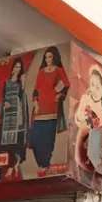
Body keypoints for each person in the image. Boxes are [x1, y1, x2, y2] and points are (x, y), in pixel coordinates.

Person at [30, 46, 69, 174]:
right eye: (46, 57)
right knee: (35, 139)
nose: (48, 59)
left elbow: (67, 84)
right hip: (39, 108)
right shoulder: (41, 71)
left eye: (50, 56)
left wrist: (59, 95)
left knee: (48, 139)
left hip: (52, 108)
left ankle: (44, 165)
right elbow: (36, 88)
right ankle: (42, 163)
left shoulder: (58, 70)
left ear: (54, 57)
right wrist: (35, 102)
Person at [0, 58, 30, 179]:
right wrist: (5, 103)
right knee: (7, 141)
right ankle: (13, 164)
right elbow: (3, 96)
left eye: (19, 68)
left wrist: (23, 83)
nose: (17, 69)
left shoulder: (21, 81)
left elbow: (21, 96)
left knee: (17, 140)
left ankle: (13, 165)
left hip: (18, 113)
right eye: (16, 67)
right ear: (12, 68)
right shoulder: (6, 82)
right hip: (7, 115)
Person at [74, 66, 102, 173]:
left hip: (95, 148)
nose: (93, 89)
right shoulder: (85, 99)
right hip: (81, 138)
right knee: (79, 160)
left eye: (98, 87)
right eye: (92, 85)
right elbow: (79, 117)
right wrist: (85, 115)